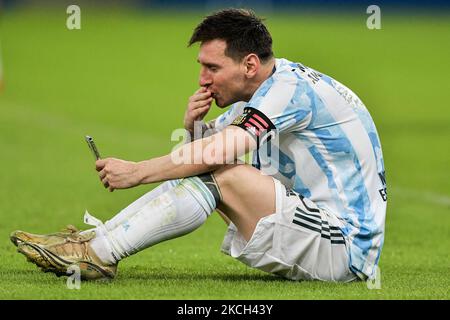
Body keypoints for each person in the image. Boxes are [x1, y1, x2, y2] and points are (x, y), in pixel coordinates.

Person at [11, 8, 387, 282]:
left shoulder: (288, 91)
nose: (202, 79)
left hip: (343, 246)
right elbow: (212, 147)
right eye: (201, 66)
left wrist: (138, 171)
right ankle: (95, 243)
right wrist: (193, 127)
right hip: (312, 226)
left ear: (250, 64)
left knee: (217, 169)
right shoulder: (265, 87)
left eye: (212, 68)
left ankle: (97, 252)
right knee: (213, 166)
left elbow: (218, 157)